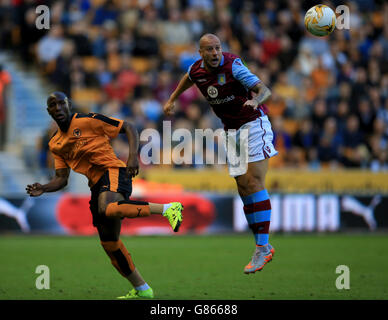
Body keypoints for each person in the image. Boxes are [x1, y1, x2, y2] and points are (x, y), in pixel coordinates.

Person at [26, 92, 183, 299]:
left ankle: (168, 208)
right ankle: (143, 289)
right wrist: (44, 188)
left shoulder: (87, 120)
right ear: (49, 112)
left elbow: (128, 127)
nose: (57, 108)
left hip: (114, 171)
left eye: (61, 103)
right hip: (97, 186)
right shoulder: (56, 144)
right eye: (52, 105)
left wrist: (133, 156)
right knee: (110, 243)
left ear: (68, 105)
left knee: (106, 208)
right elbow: (62, 179)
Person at [163, 34, 277, 274]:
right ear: (201, 52)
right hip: (231, 131)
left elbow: (264, 90)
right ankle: (260, 243)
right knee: (243, 186)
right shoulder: (196, 70)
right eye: (209, 49)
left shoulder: (233, 65)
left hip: (254, 123)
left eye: (217, 48)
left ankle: (262, 247)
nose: (215, 53)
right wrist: (173, 98)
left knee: (254, 181)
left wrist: (256, 102)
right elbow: (188, 78)